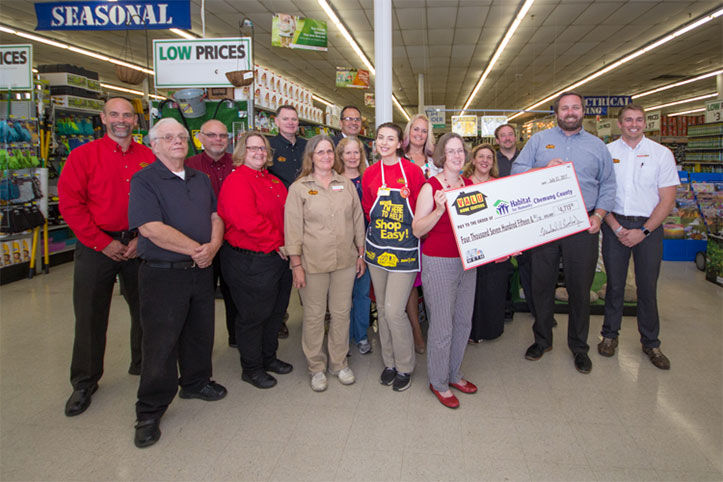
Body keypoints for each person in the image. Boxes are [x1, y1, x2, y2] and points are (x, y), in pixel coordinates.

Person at [128, 118, 227, 448]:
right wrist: (196, 250)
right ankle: (150, 410)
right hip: (163, 272)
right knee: (161, 342)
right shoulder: (145, 180)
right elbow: (150, 228)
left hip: (200, 270)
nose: (176, 142)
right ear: (153, 144)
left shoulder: (199, 179)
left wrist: (212, 248)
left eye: (181, 137)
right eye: (168, 137)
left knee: (200, 332)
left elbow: (216, 216)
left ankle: (196, 382)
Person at [58, 97, 155, 417]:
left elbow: (158, 201)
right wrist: (101, 242)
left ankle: (142, 364)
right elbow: (71, 205)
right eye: (114, 114)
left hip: (137, 244)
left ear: (136, 121)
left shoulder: (148, 157)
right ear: (103, 118)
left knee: (145, 309)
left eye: (127, 115)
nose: (121, 120)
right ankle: (84, 382)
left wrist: (142, 237)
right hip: (95, 246)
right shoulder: (82, 155)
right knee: (89, 315)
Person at [511, 91, 616, 374]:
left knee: (579, 288)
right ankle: (542, 339)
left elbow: (608, 185)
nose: (570, 112)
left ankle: (579, 347)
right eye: (564, 108)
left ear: (583, 111)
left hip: (583, 223)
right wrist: (542, 168)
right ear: (556, 112)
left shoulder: (598, 146)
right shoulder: (539, 141)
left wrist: (599, 216)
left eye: (575, 107)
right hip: (546, 221)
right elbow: (516, 171)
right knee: (541, 284)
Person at [598, 104, 678, 370]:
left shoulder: (661, 154)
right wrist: (617, 227)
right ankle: (609, 336)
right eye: (628, 120)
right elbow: (602, 196)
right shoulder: (607, 153)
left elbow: (667, 200)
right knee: (615, 286)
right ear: (619, 124)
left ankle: (651, 343)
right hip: (614, 223)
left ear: (645, 123)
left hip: (649, 228)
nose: (634, 124)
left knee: (647, 287)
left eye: (639, 120)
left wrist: (643, 231)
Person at [285, 135, 366, 391]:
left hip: (345, 260)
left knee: (342, 314)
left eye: (329, 152)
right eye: (320, 152)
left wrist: (361, 253)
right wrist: (296, 265)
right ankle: (316, 367)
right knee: (314, 316)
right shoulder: (299, 188)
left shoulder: (346, 184)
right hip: (312, 263)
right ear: (311, 156)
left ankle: (339, 363)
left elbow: (357, 220)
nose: (326, 157)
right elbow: (293, 230)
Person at [218, 131, 294, 389]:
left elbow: (288, 217)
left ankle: (268, 357)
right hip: (250, 260)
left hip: (277, 258)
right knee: (253, 315)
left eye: (262, 148)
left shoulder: (273, 182)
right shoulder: (237, 181)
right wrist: (280, 243)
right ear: (241, 151)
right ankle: (251, 368)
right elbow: (247, 221)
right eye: (253, 148)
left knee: (275, 312)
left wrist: (289, 244)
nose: (259, 152)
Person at [412, 132, 477, 409]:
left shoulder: (469, 184)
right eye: (450, 151)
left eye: (460, 150)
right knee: (442, 324)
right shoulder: (431, 187)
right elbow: (417, 229)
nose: (456, 155)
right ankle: (438, 381)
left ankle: (454, 373)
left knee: (463, 321)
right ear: (441, 155)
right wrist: (439, 210)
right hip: (439, 261)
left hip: (468, 261)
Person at [361, 122, 426, 392]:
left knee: (394, 310)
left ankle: (406, 365)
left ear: (400, 143)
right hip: (377, 251)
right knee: (383, 313)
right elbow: (367, 209)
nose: (384, 143)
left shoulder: (412, 172)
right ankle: (389, 362)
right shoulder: (370, 174)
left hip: (404, 253)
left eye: (391, 139)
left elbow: (422, 210)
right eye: (380, 138)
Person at [185, 119, 238, 347]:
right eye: (212, 135)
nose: (218, 140)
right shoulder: (189, 166)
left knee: (234, 293)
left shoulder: (238, 163)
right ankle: (200, 346)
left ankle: (236, 338)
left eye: (223, 136)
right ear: (200, 138)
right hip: (202, 243)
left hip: (233, 242)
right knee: (202, 298)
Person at [464, 144, 511, 342]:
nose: (484, 160)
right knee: (470, 292)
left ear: (493, 163)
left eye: (489, 158)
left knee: (492, 289)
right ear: (473, 160)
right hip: (470, 248)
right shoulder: (463, 184)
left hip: (494, 247)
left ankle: (490, 330)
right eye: (480, 156)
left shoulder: (499, 185)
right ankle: (470, 332)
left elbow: (507, 216)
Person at [269, 105, 307, 339]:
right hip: (280, 215)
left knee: (309, 263)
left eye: (294, 119)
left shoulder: (306, 146)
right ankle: (279, 317)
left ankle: (314, 311)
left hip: (309, 211)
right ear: (276, 121)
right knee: (282, 270)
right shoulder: (269, 147)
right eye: (286, 119)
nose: (291, 123)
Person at [402, 113, 437, 355]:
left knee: (433, 280)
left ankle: (437, 328)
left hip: (431, 229)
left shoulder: (436, 161)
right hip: (404, 229)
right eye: (416, 129)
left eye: (424, 131)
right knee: (410, 283)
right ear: (408, 131)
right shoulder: (398, 159)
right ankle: (416, 331)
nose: (419, 134)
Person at [337, 136, 373, 355]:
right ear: (340, 156)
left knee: (362, 293)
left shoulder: (368, 179)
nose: (352, 157)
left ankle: (360, 336)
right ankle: (340, 339)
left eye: (356, 152)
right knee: (341, 296)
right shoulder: (334, 181)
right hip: (341, 246)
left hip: (366, 245)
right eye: (348, 153)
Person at [494, 124, 522, 321]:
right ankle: (504, 307)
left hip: (525, 218)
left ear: (516, 137)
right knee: (502, 267)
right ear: (497, 140)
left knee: (529, 266)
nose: (507, 138)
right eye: (502, 136)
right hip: (500, 219)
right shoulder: (491, 159)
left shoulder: (528, 157)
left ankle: (537, 309)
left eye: (510, 135)